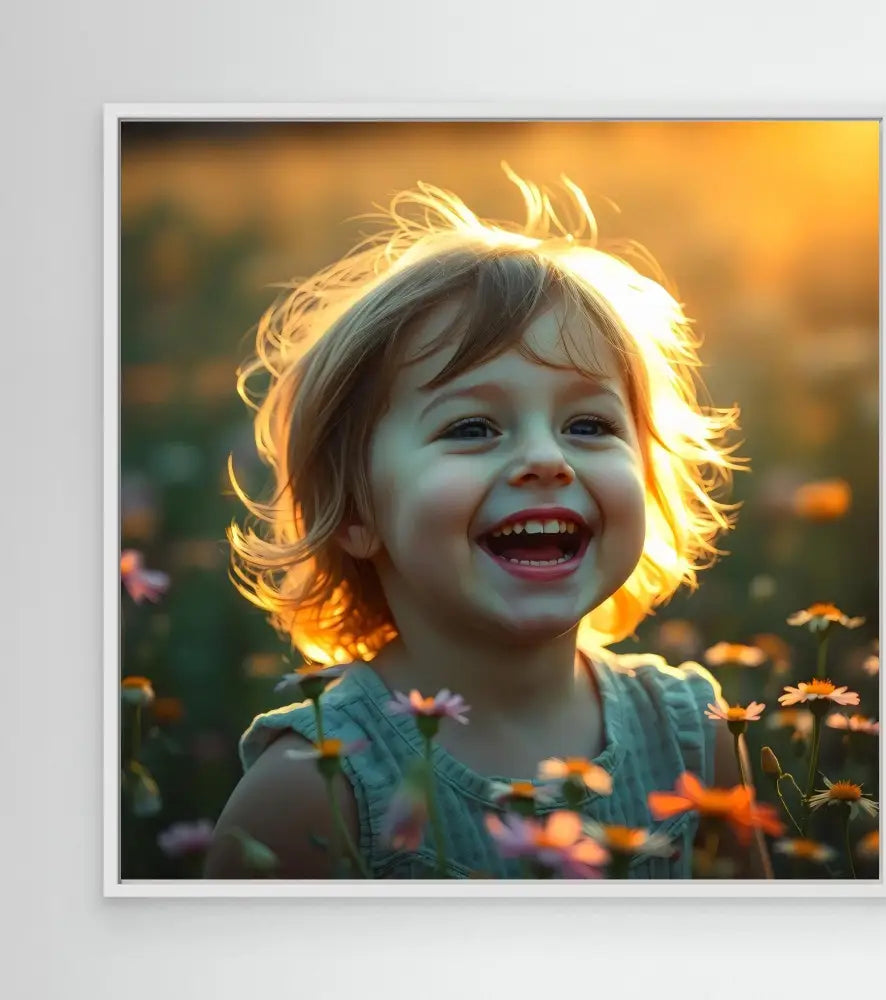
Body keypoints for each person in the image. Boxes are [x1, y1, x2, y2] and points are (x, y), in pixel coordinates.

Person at [203, 166, 752, 879]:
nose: (545, 459)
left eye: (589, 423)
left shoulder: (692, 740)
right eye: (471, 427)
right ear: (356, 511)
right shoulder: (315, 787)